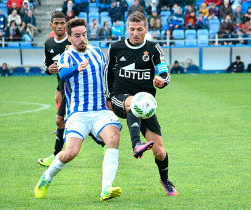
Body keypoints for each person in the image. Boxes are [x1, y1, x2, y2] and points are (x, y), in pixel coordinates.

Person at [34, 18, 122, 201]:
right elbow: (63, 73)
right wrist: (77, 68)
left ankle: (106, 188)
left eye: (84, 35)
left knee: (113, 138)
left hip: (100, 111)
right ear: (69, 37)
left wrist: (111, 98)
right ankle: (46, 178)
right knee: (71, 152)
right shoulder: (67, 56)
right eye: (77, 36)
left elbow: (109, 75)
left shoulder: (98, 52)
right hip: (78, 113)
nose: (82, 39)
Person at [104, 11, 177, 196]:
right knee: (132, 103)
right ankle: (136, 143)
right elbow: (107, 72)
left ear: (146, 29)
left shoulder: (153, 49)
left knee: (159, 150)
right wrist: (107, 97)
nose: (135, 33)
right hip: (120, 98)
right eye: (131, 29)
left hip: (145, 104)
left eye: (139, 29)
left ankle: (165, 180)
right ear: (127, 29)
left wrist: (162, 81)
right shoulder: (116, 47)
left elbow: (164, 72)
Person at [38, 11, 104, 167]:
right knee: (66, 120)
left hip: (75, 89)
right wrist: (49, 70)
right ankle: (103, 142)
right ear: (51, 25)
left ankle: (56, 155)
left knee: (61, 120)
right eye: (57, 23)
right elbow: (46, 65)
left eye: (62, 23)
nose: (60, 26)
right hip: (62, 84)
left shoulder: (74, 42)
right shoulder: (49, 44)